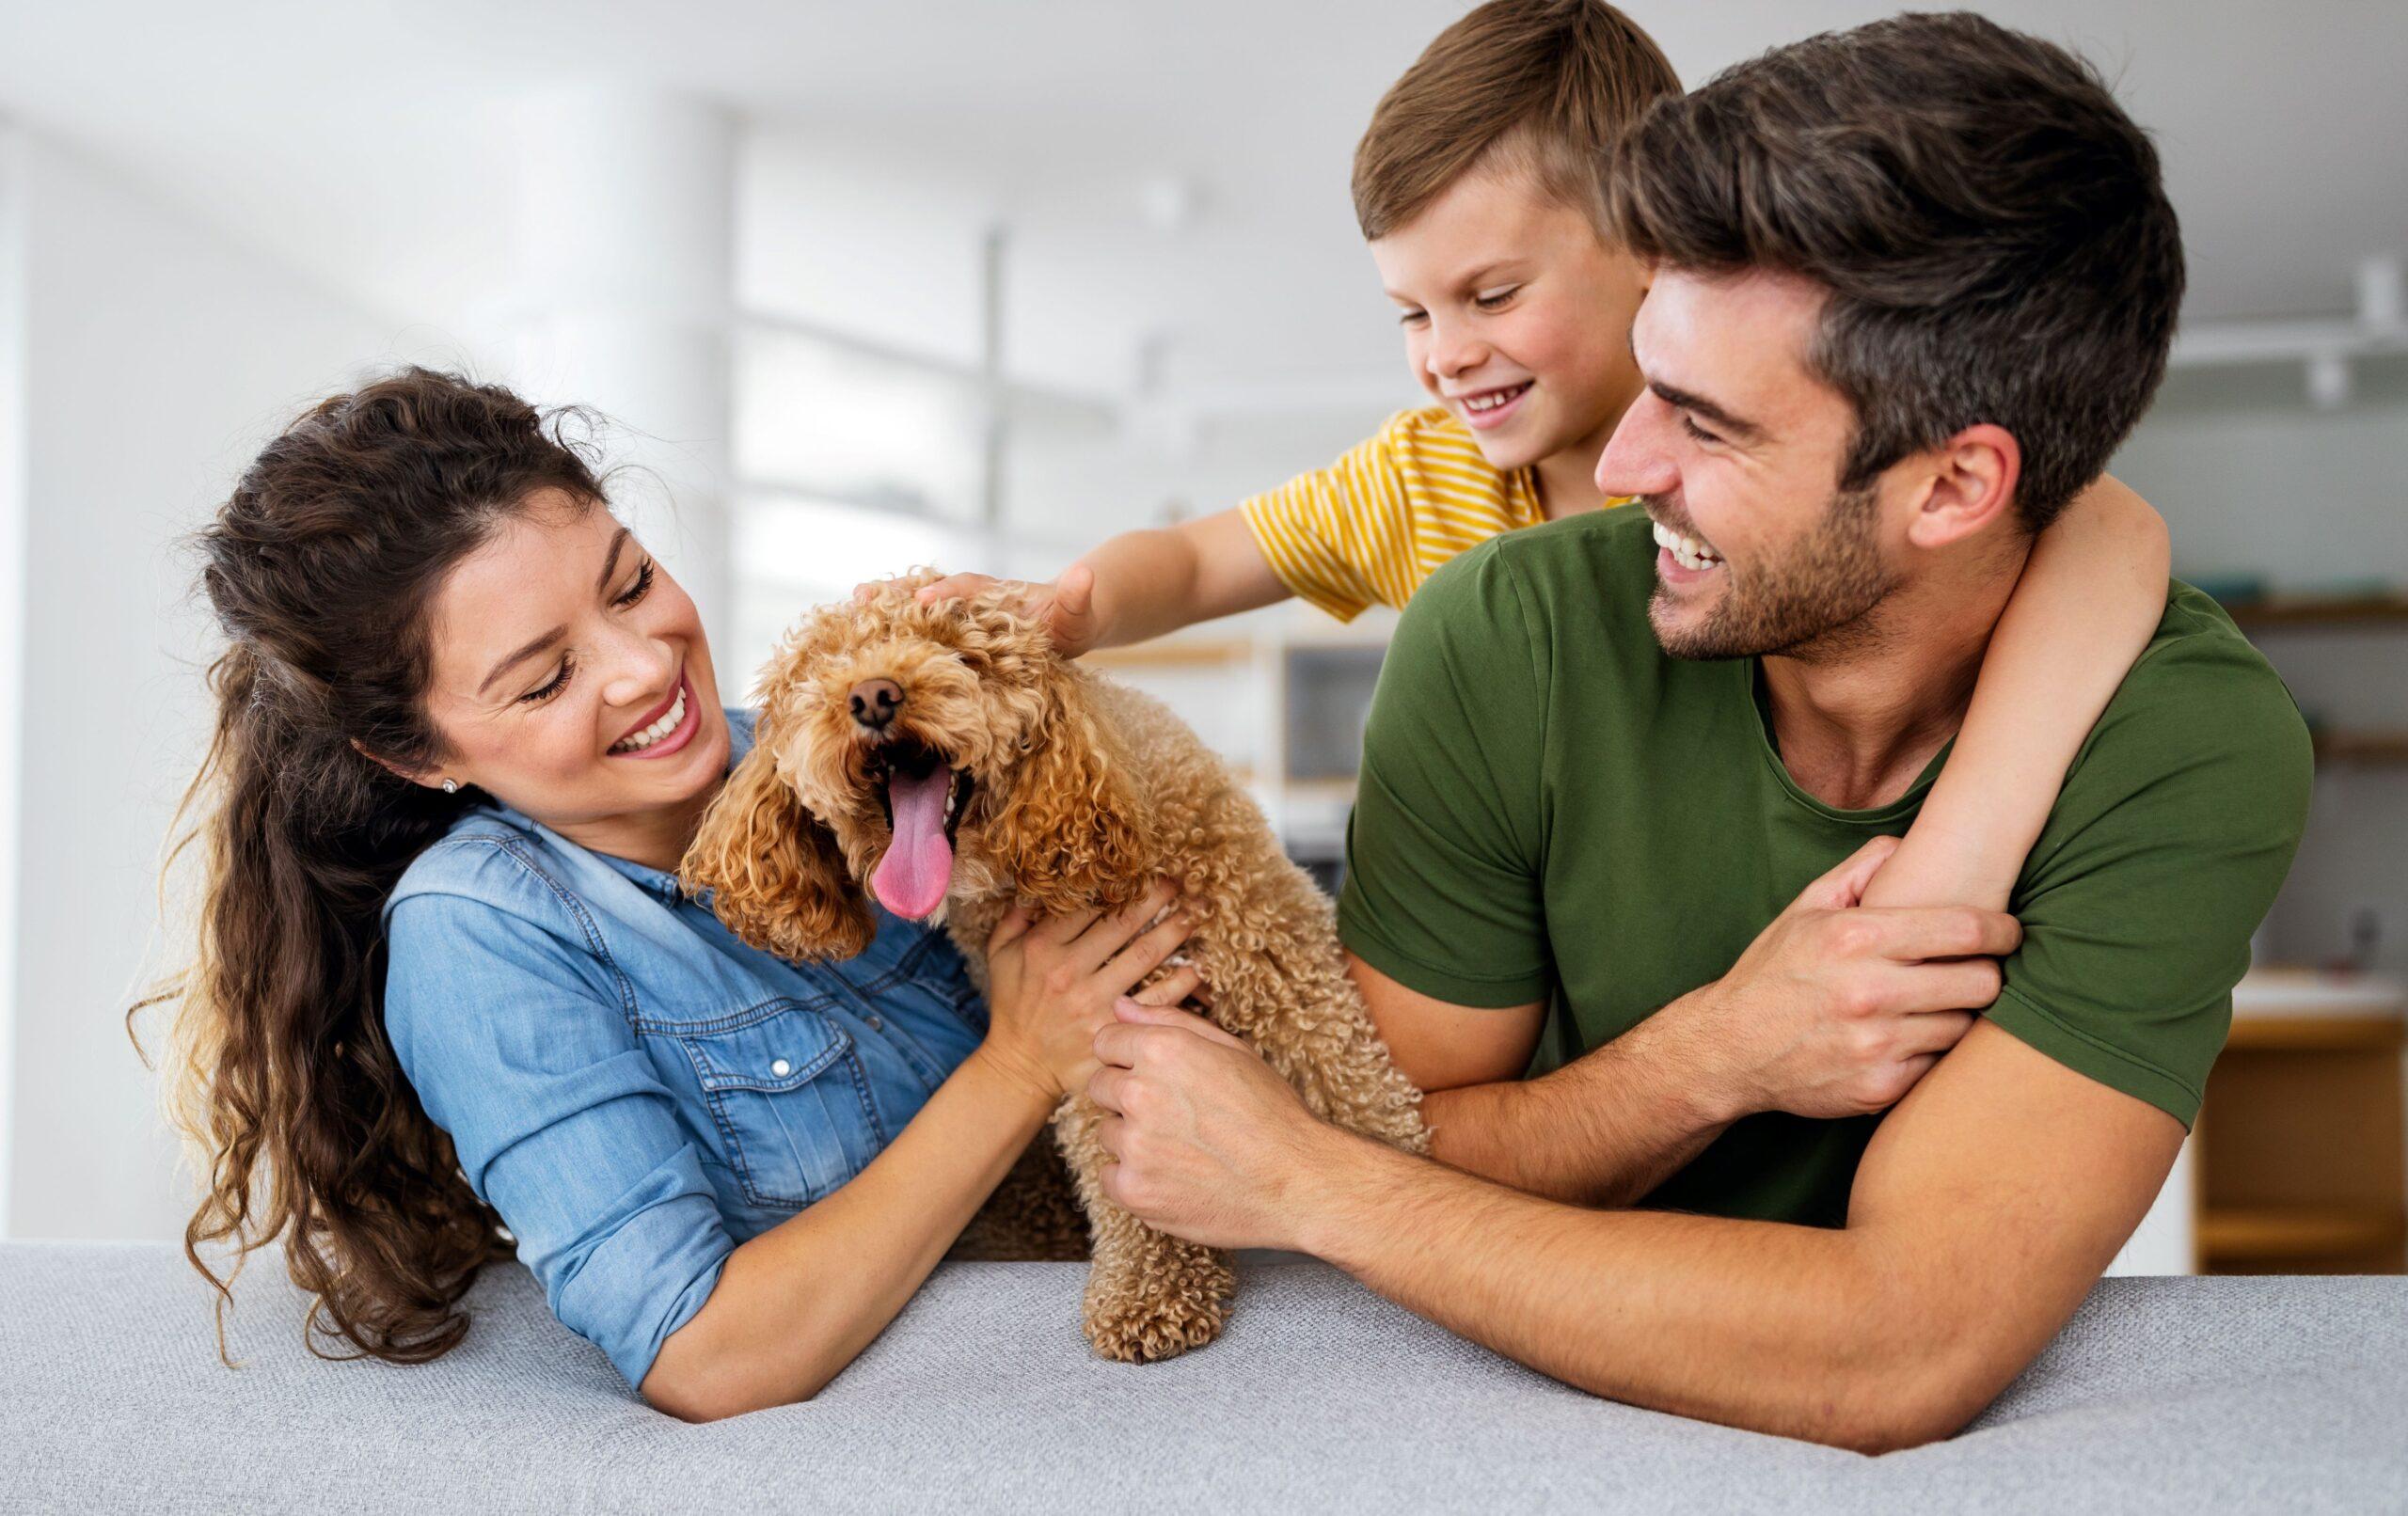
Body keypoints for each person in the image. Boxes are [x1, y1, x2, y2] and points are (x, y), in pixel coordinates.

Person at [1079, 13, 2313, 1453]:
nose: (1617, 466)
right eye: (1645, 375)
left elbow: (1899, 1345)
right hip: (1459, 1420)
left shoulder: (2183, 744)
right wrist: (1718, 1054)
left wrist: (1305, 1187)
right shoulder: (1506, 627)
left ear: (1956, 486)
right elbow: (1398, 1121)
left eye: (1707, 425)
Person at [911, 0, 2174, 933]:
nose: (1447, 356)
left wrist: (1960, 849)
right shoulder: (1422, 480)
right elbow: (1195, 557)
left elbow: (2103, 529)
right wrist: (1070, 606)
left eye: (1492, 294)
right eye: (1411, 313)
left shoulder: (1793, 484)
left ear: (1655, 246)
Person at [148, 369, 1199, 1422]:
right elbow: (702, 1354)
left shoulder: (841, 745)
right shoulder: (480, 934)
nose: (645, 667)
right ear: (419, 758)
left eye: (631, 583)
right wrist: (1019, 1061)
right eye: (546, 678)